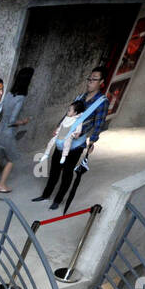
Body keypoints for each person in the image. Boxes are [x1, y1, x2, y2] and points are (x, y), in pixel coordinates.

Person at [33, 66, 108, 209]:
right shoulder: (80, 97)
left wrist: (92, 142)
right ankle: (46, 194)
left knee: (67, 172)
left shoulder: (102, 102)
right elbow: (68, 115)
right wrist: (58, 126)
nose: (90, 82)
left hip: (76, 144)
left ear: (102, 82)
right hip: (62, 139)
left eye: (94, 79)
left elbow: (99, 124)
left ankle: (57, 200)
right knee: (54, 168)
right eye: (89, 79)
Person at [0, 66, 32, 193]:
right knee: (12, 159)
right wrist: (23, 122)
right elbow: (12, 121)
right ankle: (1, 185)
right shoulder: (20, 98)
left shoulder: (8, 94)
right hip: (9, 133)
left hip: (0, 130)